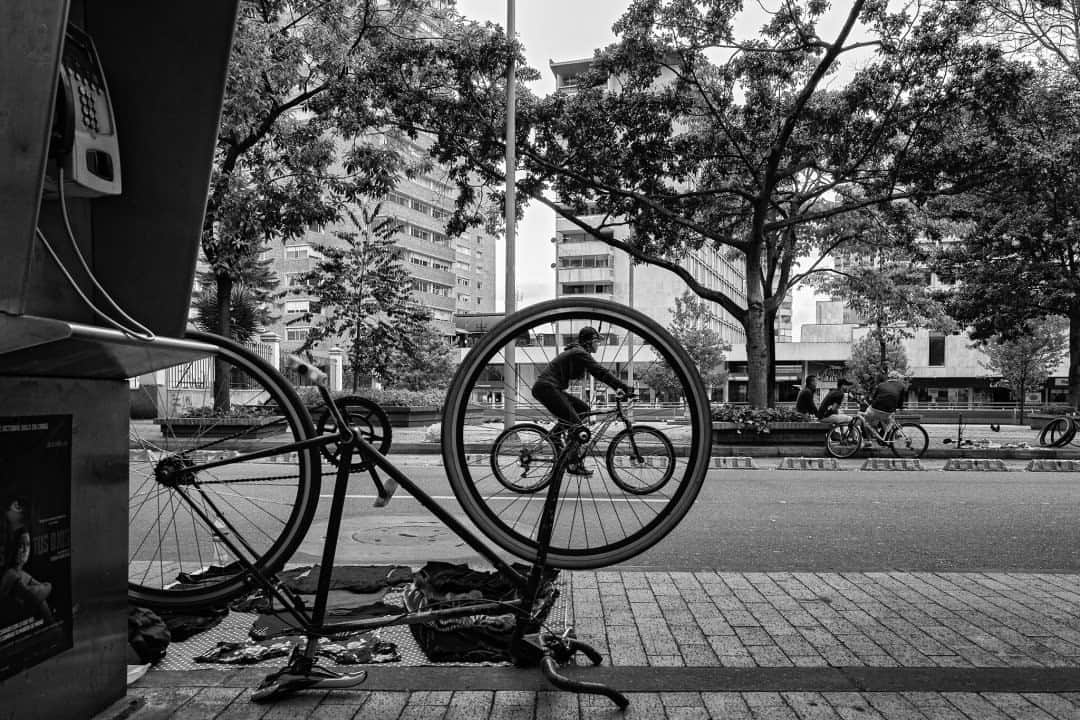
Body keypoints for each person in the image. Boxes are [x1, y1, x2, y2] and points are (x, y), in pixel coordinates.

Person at [532, 326, 634, 476]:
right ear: (590, 341)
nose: (598, 345)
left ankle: (555, 435)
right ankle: (573, 464)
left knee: (583, 409)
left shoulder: (578, 352)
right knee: (577, 428)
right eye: (597, 341)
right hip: (547, 388)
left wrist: (617, 387)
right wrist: (624, 387)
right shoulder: (579, 352)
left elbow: (596, 372)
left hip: (549, 388)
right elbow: (600, 372)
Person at [862, 370, 908, 440]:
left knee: (866, 421)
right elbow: (900, 402)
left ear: (889, 378)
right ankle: (889, 437)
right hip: (888, 412)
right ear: (898, 378)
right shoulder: (902, 386)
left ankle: (869, 440)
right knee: (887, 421)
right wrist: (899, 407)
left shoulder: (881, 385)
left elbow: (874, 398)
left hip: (875, 410)